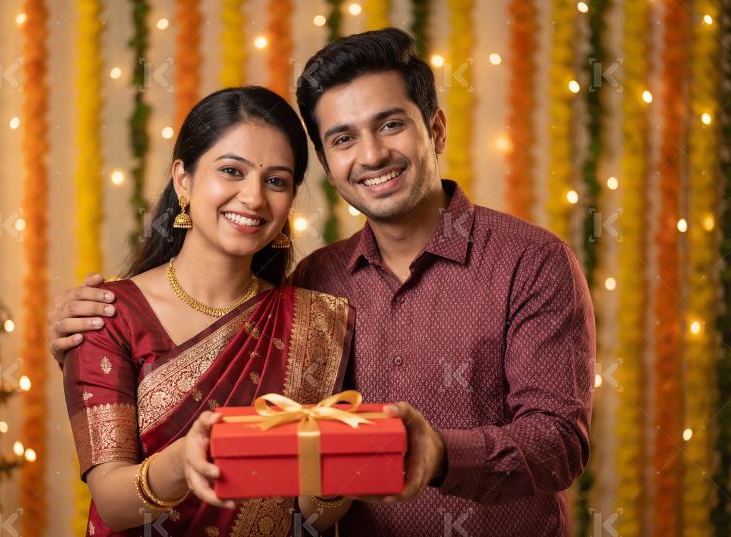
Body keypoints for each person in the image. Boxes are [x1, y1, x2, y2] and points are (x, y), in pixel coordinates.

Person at [51, 29, 595, 537]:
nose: (371, 155)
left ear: (435, 129)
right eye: (343, 138)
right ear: (329, 164)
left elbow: (560, 442)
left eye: (391, 125)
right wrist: (82, 344)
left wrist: (440, 456)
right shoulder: (319, 284)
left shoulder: (530, 262)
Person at [61, 86, 356, 536]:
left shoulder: (317, 321)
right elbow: (112, 503)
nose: (253, 198)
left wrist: (333, 482)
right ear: (183, 179)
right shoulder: (107, 315)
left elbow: (310, 518)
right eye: (232, 171)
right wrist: (181, 463)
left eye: (276, 181)